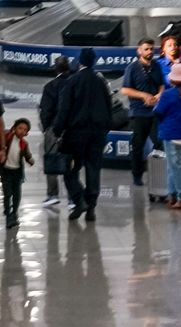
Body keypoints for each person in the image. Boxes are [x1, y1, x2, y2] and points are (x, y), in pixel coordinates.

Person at [49, 48, 112, 221]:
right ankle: (91, 207)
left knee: (69, 170)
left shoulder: (72, 81)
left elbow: (64, 108)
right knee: (93, 169)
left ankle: (79, 200)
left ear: (80, 61)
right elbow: (109, 106)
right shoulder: (101, 82)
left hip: (75, 134)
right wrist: (105, 128)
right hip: (97, 134)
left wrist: (57, 130)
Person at [120, 39, 167, 200]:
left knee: (159, 143)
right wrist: (143, 96)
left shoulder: (156, 67)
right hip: (138, 113)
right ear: (139, 51)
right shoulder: (132, 68)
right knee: (138, 145)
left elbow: (161, 84)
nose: (149, 52)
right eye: (146, 49)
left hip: (154, 112)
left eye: (151, 49)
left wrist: (159, 95)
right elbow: (125, 89)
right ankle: (137, 175)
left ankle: (158, 175)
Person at [151, 63, 181, 211]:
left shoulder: (167, 95)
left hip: (170, 134)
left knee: (175, 167)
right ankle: (172, 195)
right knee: (174, 166)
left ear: (172, 80)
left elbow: (157, 111)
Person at [36, 56, 68, 205]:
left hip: (53, 128)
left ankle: (52, 194)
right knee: (71, 161)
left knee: (51, 159)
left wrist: (46, 127)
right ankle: (73, 197)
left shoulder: (50, 86)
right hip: (72, 128)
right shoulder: (74, 84)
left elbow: (45, 110)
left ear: (55, 69)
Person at [1, 118, 32, 230]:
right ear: (14, 128)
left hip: (17, 172)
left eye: (25, 130)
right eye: (20, 128)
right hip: (6, 171)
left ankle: (14, 213)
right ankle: (8, 215)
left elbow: (27, 155)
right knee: (7, 193)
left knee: (17, 194)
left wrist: (30, 160)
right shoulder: (7, 138)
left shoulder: (24, 143)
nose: (22, 131)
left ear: (27, 133)